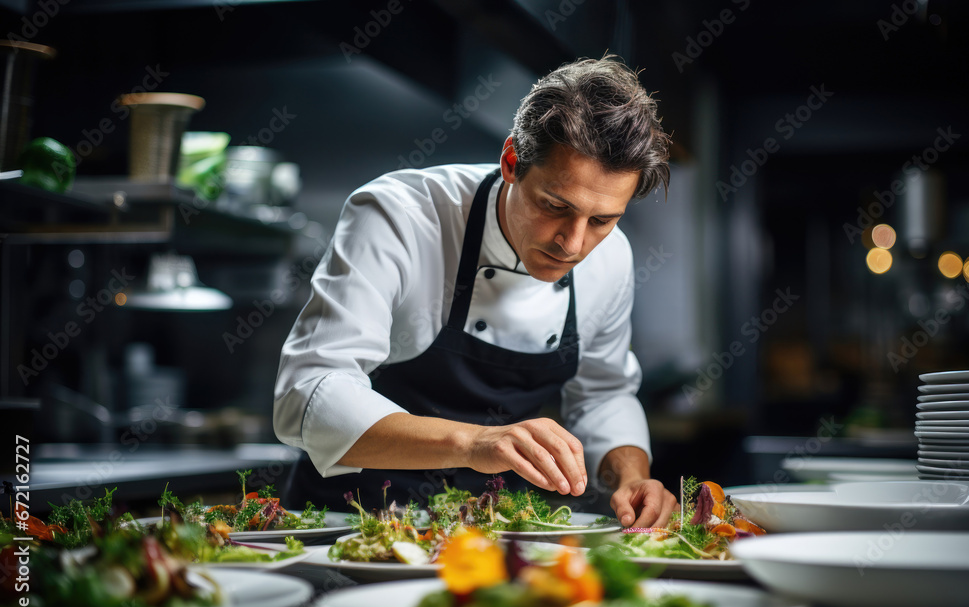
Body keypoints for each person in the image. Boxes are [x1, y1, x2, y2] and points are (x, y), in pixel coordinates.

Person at [273, 55, 677, 527]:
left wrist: (629, 476)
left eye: (602, 220)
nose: (573, 242)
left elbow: (604, 394)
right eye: (554, 205)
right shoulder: (398, 216)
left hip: (493, 534)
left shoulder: (611, 258)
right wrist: (473, 443)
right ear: (512, 162)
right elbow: (308, 394)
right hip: (351, 525)